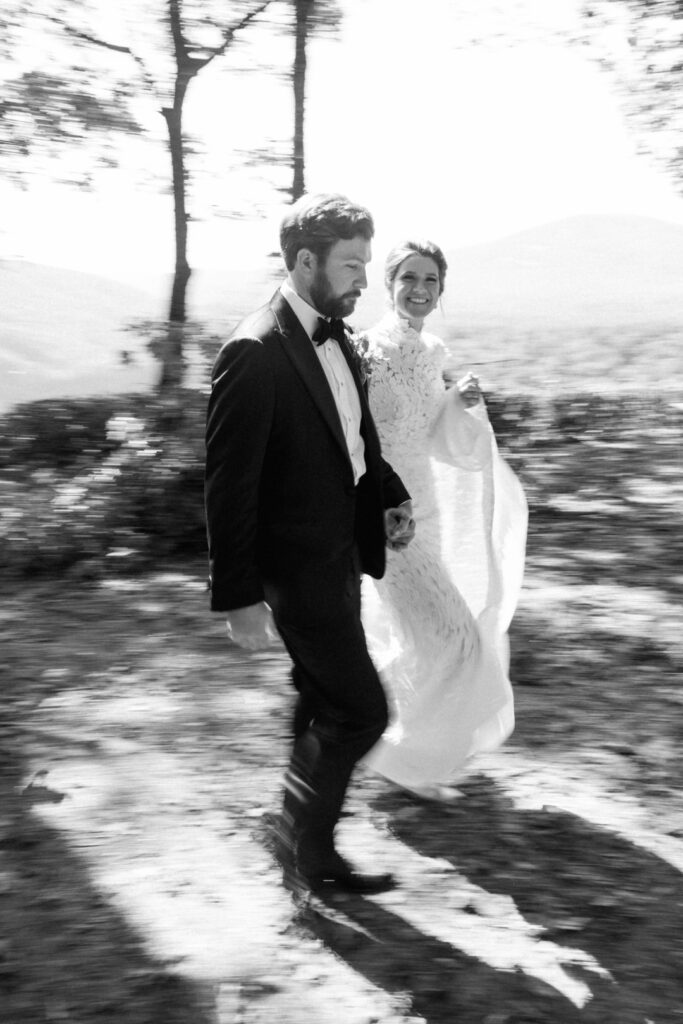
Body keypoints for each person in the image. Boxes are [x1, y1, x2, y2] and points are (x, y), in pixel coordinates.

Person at [204, 194, 415, 894]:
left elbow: (351, 438)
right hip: (296, 572)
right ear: (303, 262)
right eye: (351, 264)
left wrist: (386, 493)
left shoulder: (334, 334)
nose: (363, 278)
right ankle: (310, 852)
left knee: (320, 699)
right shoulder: (254, 351)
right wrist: (237, 597)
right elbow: (229, 488)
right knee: (361, 711)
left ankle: (290, 832)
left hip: (341, 557)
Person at [359, 239, 528, 799]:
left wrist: (459, 401)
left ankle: (396, 747)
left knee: (424, 641)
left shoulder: (432, 351)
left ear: (441, 290)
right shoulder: (364, 351)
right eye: (409, 277)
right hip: (388, 518)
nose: (420, 289)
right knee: (457, 639)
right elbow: (353, 434)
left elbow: (433, 434)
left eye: (431, 280)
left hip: (424, 507)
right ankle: (399, 757)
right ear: (388, 284)